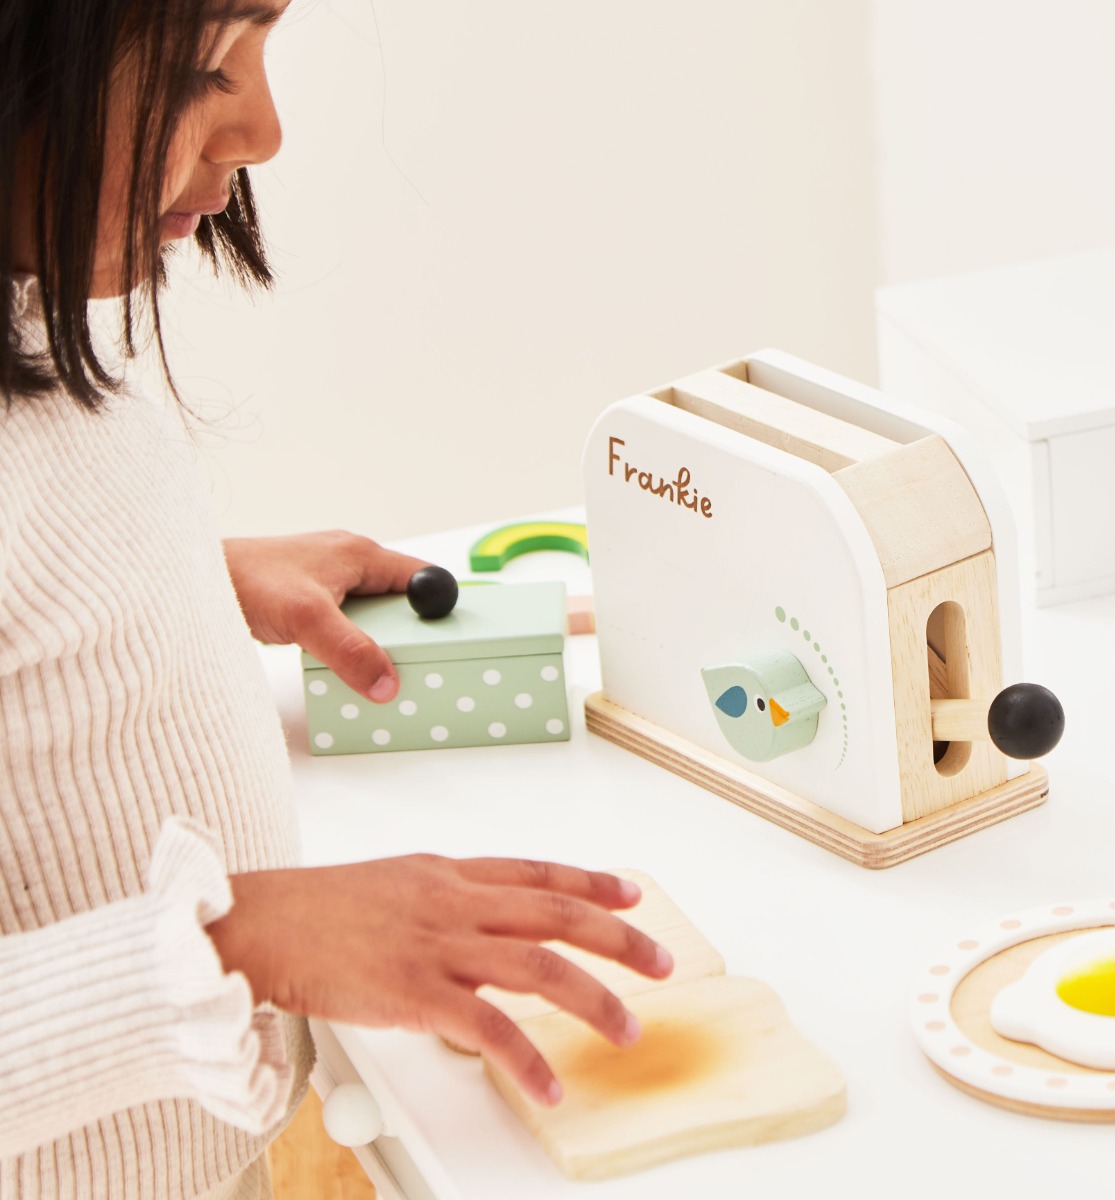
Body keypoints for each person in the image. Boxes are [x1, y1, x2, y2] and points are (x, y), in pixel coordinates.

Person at [0, 2, 673, 1196]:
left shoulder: (34, 314)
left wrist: (170, 577)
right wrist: (236, 946)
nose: (261, 129)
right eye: (209, 68)